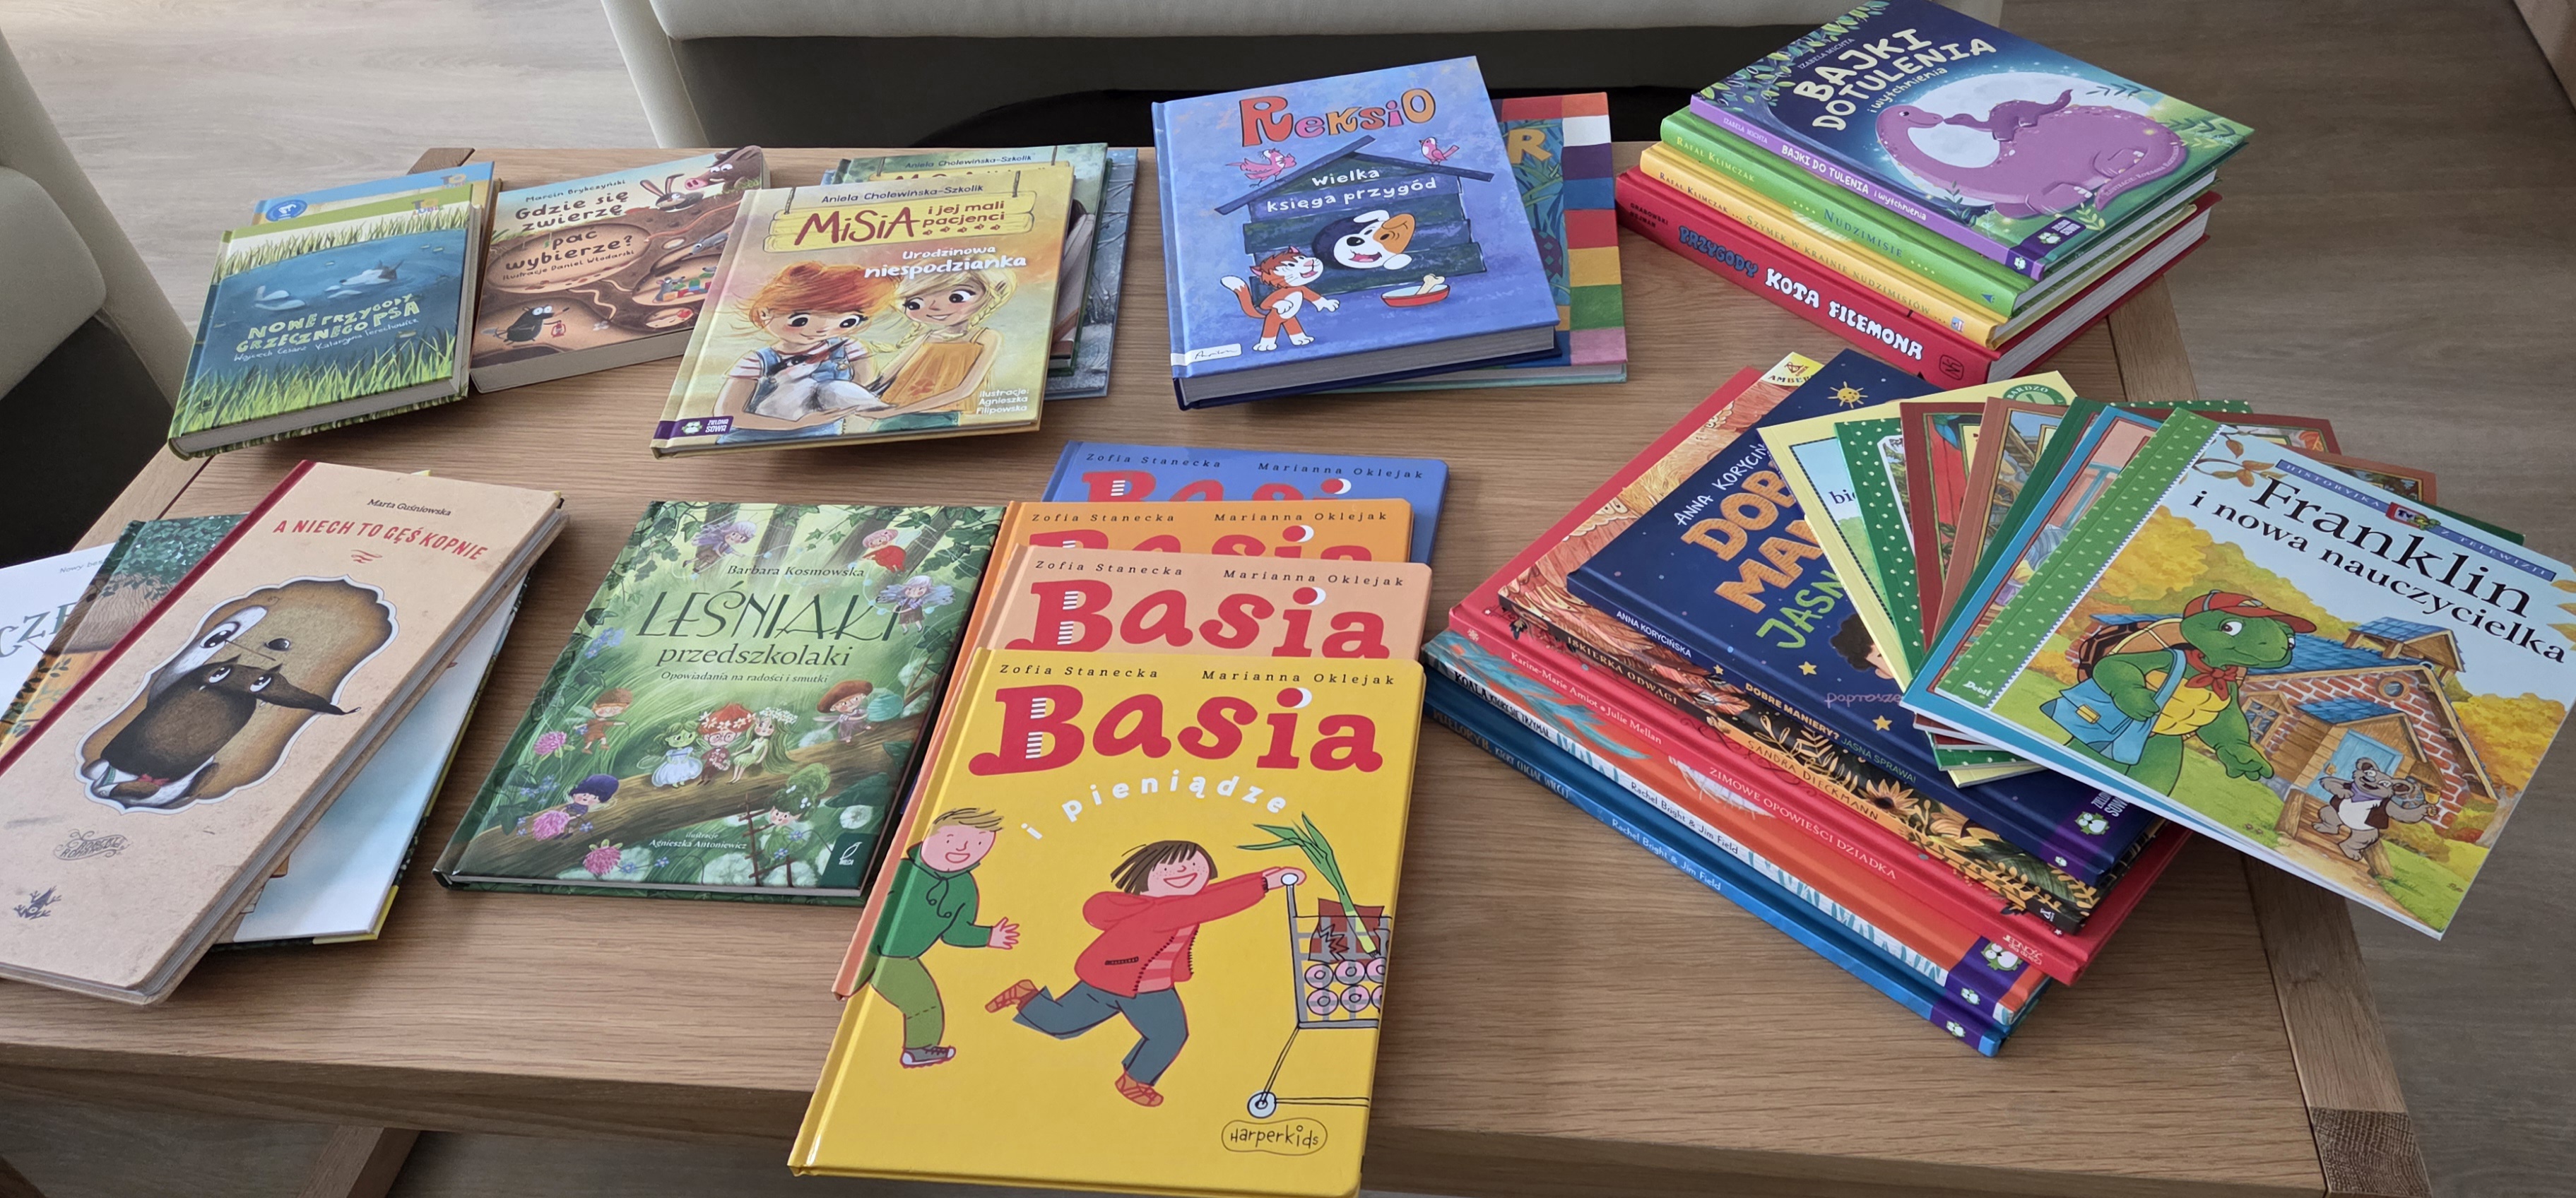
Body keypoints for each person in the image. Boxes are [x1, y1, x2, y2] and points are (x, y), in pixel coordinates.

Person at [986, 841, 1296, 1108]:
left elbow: (1211, 896)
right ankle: (1134, 1080)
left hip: (1111, 980)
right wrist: (1263, 885)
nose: (1183, 871)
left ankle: (1027, 995)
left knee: (1063, 1023)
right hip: (1141, 989)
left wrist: (1262, 878)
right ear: (1144, 880)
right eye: (1169, 868)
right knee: (1168, 1035)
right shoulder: (1160, 910)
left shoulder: (1180, 903)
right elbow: (1210, 905)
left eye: (1194, 865)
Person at [856, 807, 1018, 1068]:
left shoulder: (964, 886)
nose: (963, 849)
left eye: (978, 845)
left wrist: (989, 936)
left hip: (900, 960)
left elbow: (955, 933)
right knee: (851, 989)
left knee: (925, 1003)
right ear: (930, 836)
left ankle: (918, 1050)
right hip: (867, 949)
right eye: (952, 839)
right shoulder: (901, 869)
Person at [713, 263, 898, 445]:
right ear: (764, 313)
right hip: (752, 441)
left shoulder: (848, 348)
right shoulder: (757, 361)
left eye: (847, 322)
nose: (822, 330)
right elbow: (728, 414)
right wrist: (796, 424)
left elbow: (863, 389)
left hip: (823, 441)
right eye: (800, 320)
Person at [854, 268, 1015, 434]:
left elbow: (964, 390)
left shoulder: (985, 337)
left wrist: (893, 411)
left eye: (957, 297)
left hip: (939, 415)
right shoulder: (925, 338)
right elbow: (885, 378)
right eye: (916, 304)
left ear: (987, 295)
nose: (936, 308)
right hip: (894, 414)